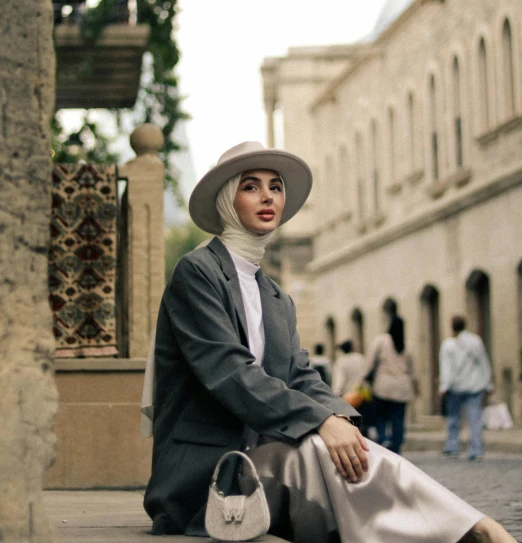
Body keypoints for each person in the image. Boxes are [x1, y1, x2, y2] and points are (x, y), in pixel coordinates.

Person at [143, 141, 516, 543]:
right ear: (226, 200)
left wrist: (337, 418)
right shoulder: (197, 273)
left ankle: (465, 528)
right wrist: (319, 422)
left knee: (349, 457)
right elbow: (230, 374)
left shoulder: (276, 297)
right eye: (250, 186)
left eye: (276, 186)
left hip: (264, 462)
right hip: (205, 477)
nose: (268, 196)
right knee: (318, 454)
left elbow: (301, 375)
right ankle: (473, 531)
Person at [362, 314, 418, 455]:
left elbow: (370, 362)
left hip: (383, 386)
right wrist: (416, 387)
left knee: (380, 416)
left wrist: (363, 378)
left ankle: (384, 438)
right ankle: (396, 446)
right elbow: (413, 370)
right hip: (402, 388)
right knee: (398, 418)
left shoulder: (381, 340)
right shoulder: (407, 344)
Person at [439, 314, 493, 461]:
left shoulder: (448, 345)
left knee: (453, 419)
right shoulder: (475, 341)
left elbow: (447, 368)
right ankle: (476, 450)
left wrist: (444, 386)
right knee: (475, 419)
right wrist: (488, 383)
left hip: (455, 387)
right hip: (475, 386)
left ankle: (453, 447)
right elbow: (483, 362)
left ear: (452, 327)